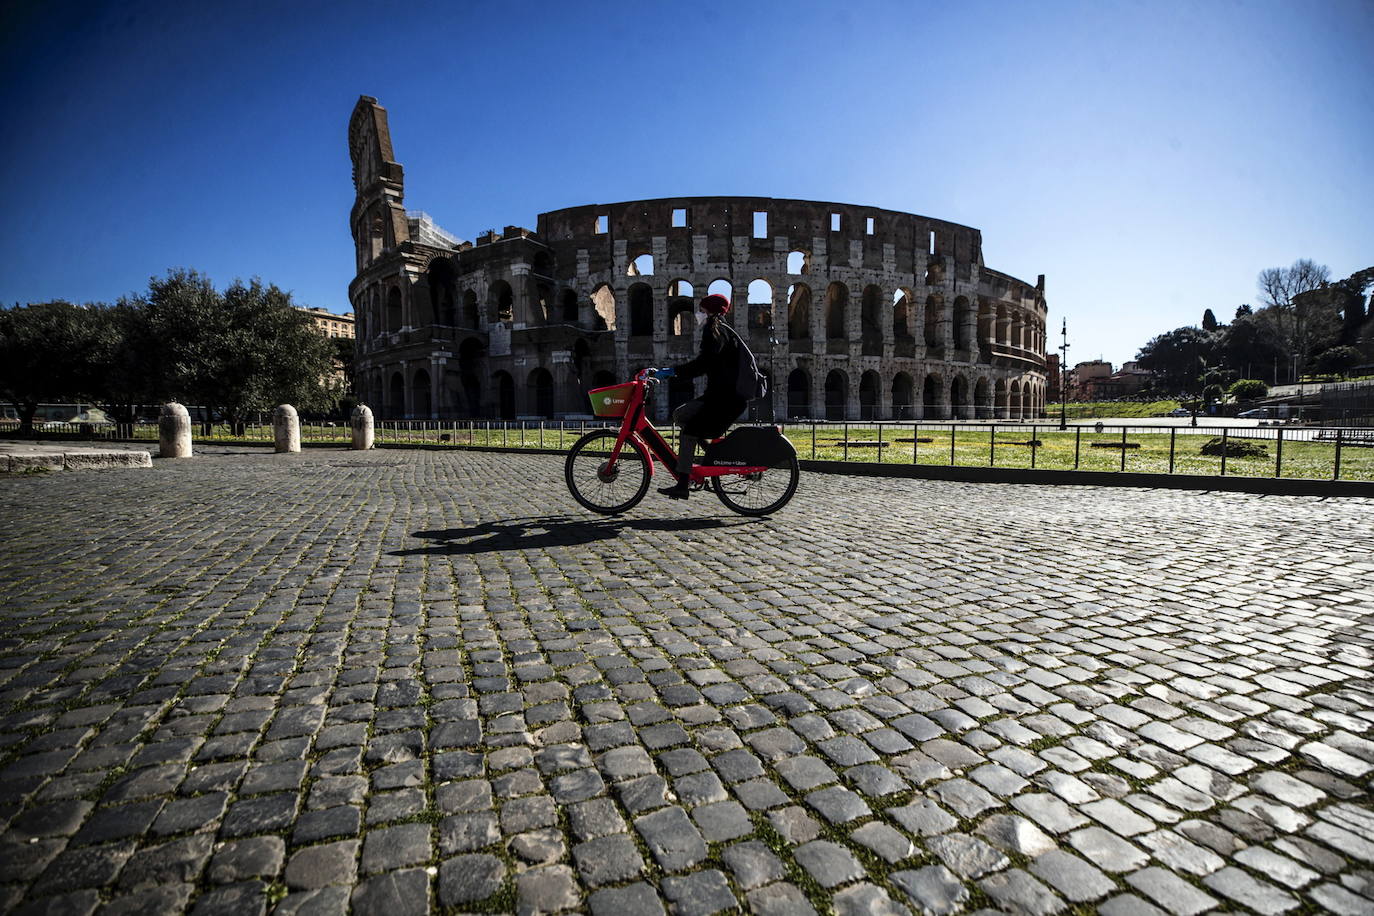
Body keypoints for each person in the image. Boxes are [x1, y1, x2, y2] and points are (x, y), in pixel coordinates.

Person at [654, 294, 747, 499]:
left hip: (724, 400)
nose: (699, 314)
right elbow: (708, 364)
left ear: (710, 311)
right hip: (721, 397)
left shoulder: (714, 330)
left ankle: (683, 484)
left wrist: (673, 371)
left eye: (702, 310)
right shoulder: (723, 330)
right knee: (680, 415)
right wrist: (675, 371)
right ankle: (710, 453)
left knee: (689, 431)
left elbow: (703, 363)